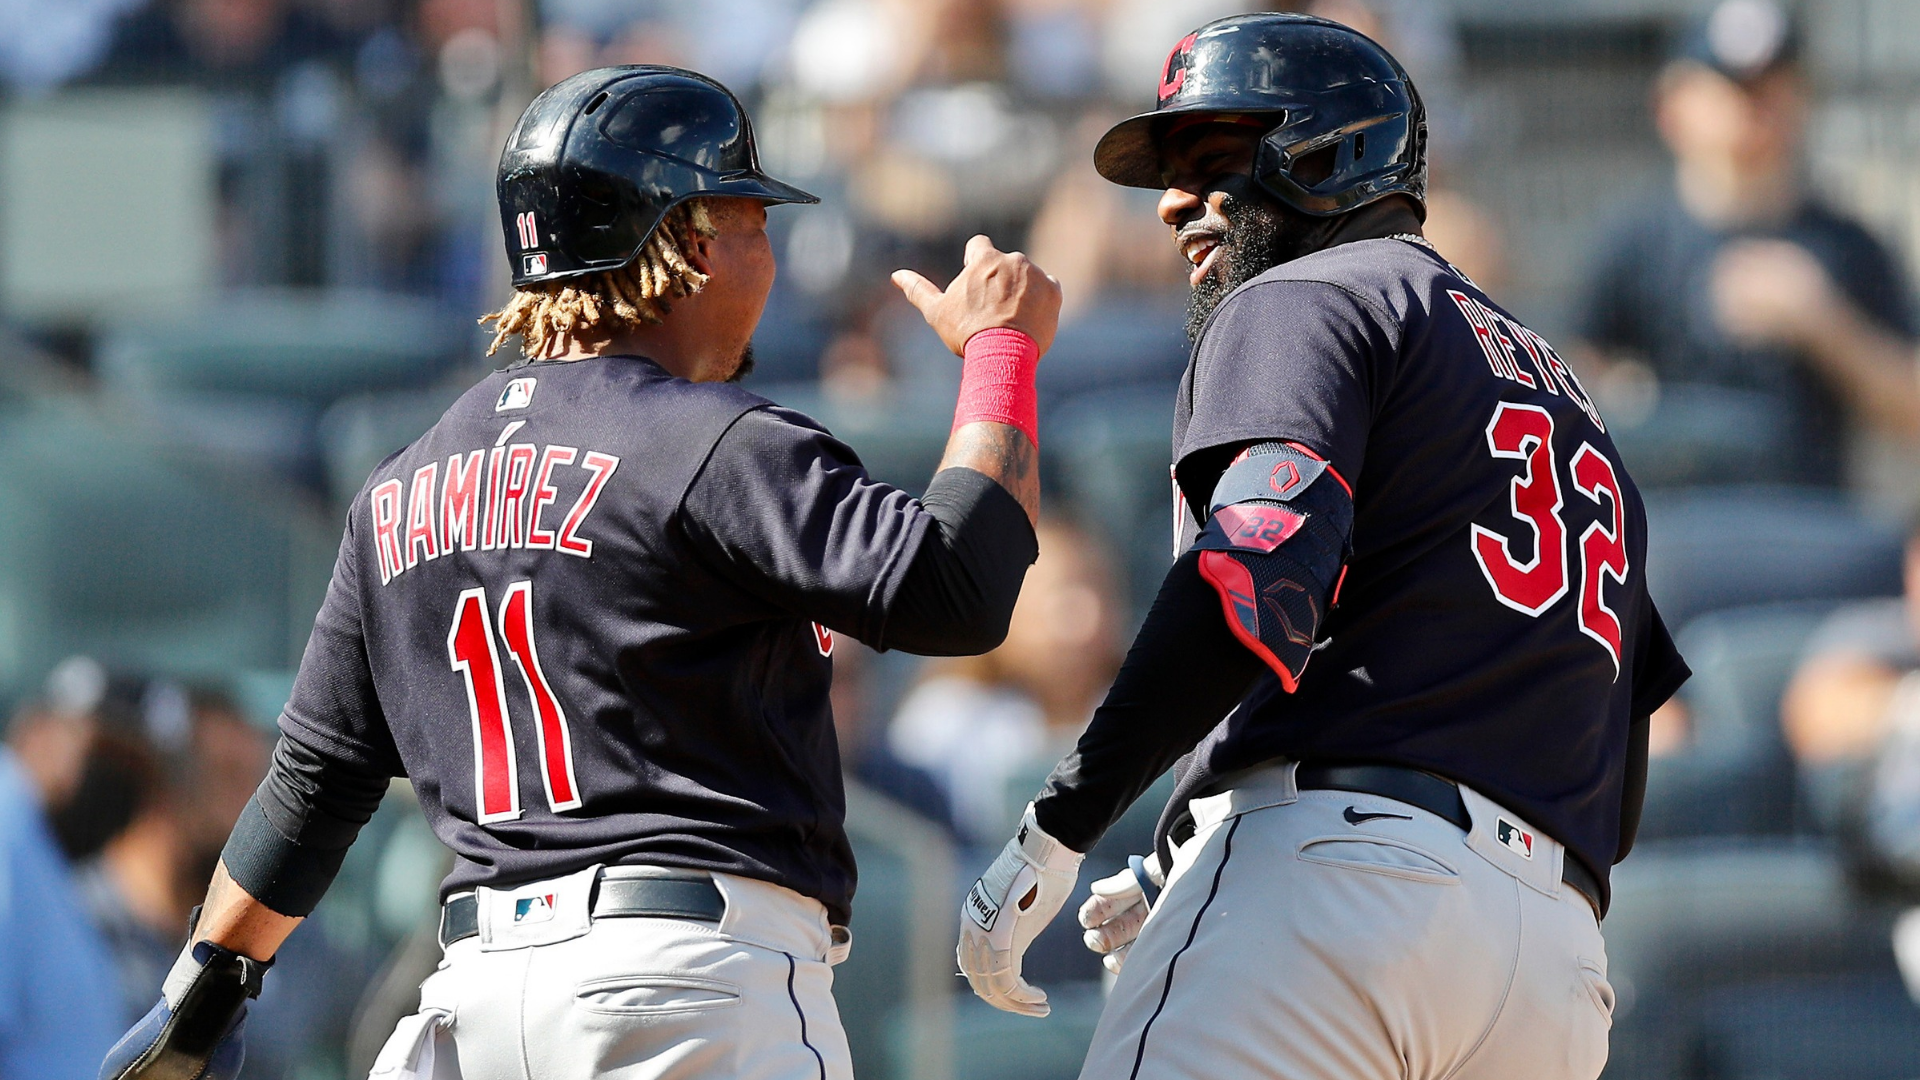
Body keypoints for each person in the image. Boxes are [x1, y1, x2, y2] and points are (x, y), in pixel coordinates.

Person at [101, 64, 1060, 1080]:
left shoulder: (400, 484)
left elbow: (314, 785)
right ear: (689, 240)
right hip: (686, 985)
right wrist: (1002, 352)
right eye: (752, 221)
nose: (765, 256)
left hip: (469, 1007)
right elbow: (958, 587)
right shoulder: (715, 443)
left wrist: (198, 993)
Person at [952, 14, 1691, 1080]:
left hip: (1335, 896)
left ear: (1325, 151)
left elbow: (1253, 574)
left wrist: (1062, 823)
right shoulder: (1563, 391)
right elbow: (1614, 749)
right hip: (1553, 971)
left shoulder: (1308, 292)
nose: (1171, 203)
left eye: (1210, 164)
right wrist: (1179, 857)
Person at [1572, 0, 1920, 488]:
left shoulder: (1848, 246)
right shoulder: (1635, 240)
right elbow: (1570, 373)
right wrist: (1623, 402)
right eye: (1734, 87)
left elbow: (1911, 414)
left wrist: (1823, 323)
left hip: (1810, 521)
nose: (1757, 108)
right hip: (1672, 527)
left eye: (1775, 86)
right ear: (1673, 106)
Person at [889, 516, 1123, 844]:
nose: (1088, 619)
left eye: (1099, 593)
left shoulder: (1151, 711)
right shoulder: (947, 720)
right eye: (1064, 597)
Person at [0, 690, 122, 1079]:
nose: (105, 772)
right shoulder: (7, 828)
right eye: (97, 747)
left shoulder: (38, 842)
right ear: (39, 733)